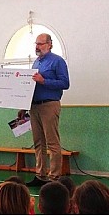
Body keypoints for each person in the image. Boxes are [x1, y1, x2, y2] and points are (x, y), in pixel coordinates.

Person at [18, 33, 70, 186]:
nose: (37, 47)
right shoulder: (36, 63)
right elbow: (30, 87)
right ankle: (40, 175)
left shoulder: (57, 61)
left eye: (40, 44)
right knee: (38, 142)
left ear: (49, 44)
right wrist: (24, 105)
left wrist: (44, 81)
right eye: (36, 44)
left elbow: (65, 83)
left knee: (52, 142)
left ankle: (54, 177)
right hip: (34, 105)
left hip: (49, 104)